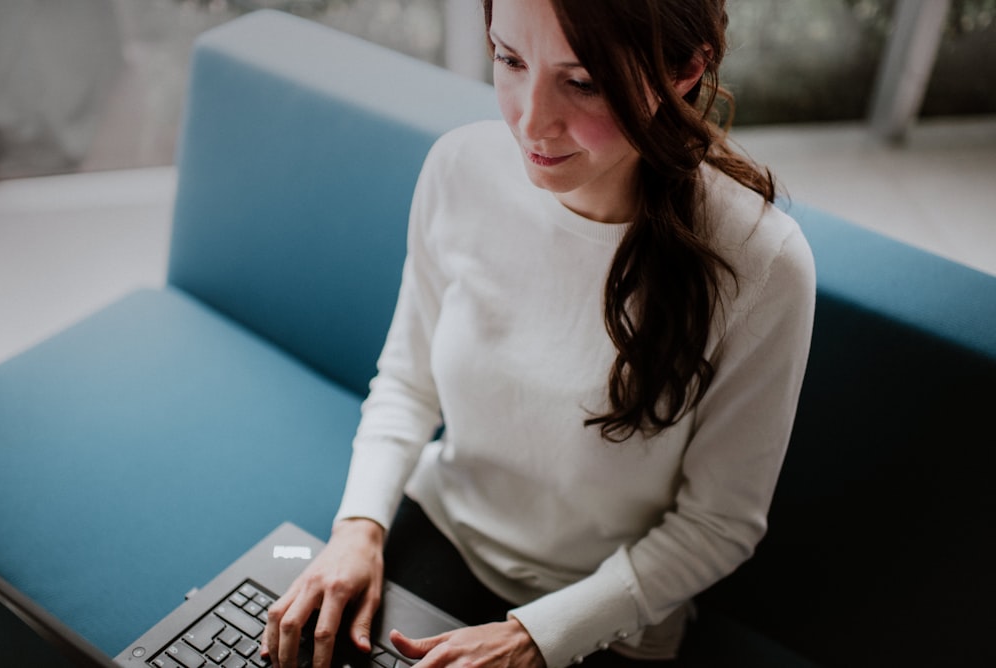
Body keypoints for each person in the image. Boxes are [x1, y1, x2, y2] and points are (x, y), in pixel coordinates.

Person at [261, 0, 816, 665]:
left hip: (607, 613)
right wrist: (358, 527)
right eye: (509, 60)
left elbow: (717, 524)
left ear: (685, 72)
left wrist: (536, 638)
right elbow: (408, 383)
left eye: (582, 82)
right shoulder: (458, 168)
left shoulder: (762, 265)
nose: (529, 121)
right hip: (444, 529)